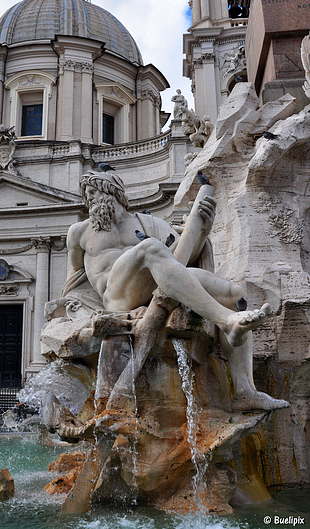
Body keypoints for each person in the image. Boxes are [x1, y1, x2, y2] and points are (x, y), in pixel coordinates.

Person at [63, 169, 288, 411]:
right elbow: (75, 279)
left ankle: (244, 391)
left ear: (113, 193)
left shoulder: (147, 222)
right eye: (88, 195)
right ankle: (227, 320)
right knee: (151, 247)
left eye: (95, 192)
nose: (91, 200)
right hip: (117, 296)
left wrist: (202, 229)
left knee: (234, 294)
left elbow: (182, 258)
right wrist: (71, 308)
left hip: (155, 287)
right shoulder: (79, 232)